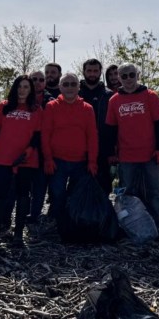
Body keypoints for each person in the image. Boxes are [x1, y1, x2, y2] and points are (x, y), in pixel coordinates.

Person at [104, 64, 159, 223]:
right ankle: (131, 222)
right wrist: (111, 153)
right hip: (126, 156)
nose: (128, 79)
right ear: (118, 78)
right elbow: (110, 129)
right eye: (124, 76)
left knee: (153, 191)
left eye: (131, 75)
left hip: (150, 155)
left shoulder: (151, 96)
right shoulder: (114, 100)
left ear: (138, 75)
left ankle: (154, 222)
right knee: (127, 192)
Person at [0, 75, 43, 245]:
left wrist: (30, 149)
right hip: (2, 158)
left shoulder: (36, 109)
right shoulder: (4, 106)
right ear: (15, 88)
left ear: (31, 90)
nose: (22, 90)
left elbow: (38, 134)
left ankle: (18, 233)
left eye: (26, 87)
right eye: (19, 86)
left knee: (23, 194)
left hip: (26, 159)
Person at [42, 73, 98, 219]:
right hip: (57, 160)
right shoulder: (51, 107)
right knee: (57, 194)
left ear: (79, 87)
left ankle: (72, 222)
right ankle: (57, 224)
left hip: (80, 162)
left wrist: (92, 161)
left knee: (76, 195)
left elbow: (92, 136)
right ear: (60, 87)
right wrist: (48, 158)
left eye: (73, 84)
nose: (69, 87)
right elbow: (45, 134)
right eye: (66, 84)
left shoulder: (87, 109)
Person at [78, 58, 114, 194]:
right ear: (84, 72)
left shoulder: (109, 95)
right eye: (89, 71)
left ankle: (102, 213)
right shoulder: (74, 93)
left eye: (95, 71)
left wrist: (112, 150)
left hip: (103, 147)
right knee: (78, 184)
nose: (92, 74)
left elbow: (114, 125)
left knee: (103, 185)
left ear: (100, 72)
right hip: (78, 147)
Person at [28, 70, 53, 222]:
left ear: (45, 82)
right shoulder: (20, 98)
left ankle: (34, 214)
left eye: (41, 79)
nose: (37, 82)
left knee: (40, 184)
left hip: (44, 148)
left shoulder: (51, 101)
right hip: (23, 147)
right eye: (34, 79)